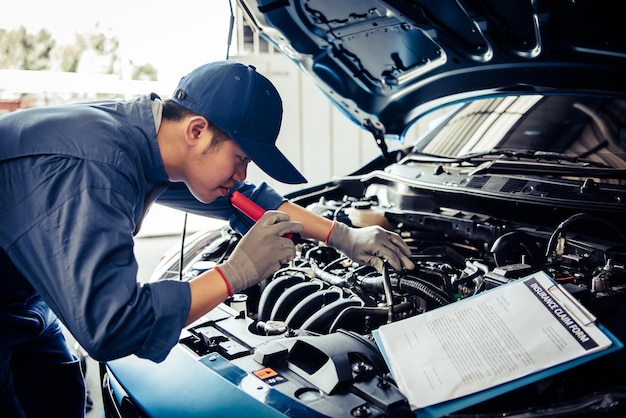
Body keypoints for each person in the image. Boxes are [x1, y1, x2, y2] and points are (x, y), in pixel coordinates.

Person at [0, 60, 415, 417]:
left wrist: (344, 237)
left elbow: (249, 202)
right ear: (197, 130)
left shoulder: (152, 139)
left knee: (57, 394)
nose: (243, 174)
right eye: (241, 160)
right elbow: (111, 326)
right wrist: (234, 273)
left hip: (22, 304)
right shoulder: (95, 169)